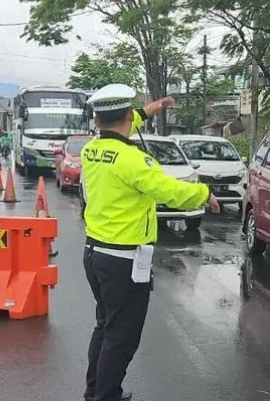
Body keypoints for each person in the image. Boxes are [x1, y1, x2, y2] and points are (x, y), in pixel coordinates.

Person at [81, 84, 220, 401]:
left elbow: (124, 124)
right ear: (127, 115)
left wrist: (153, 108)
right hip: (124, 260)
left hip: (95, 252)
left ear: (98, 120)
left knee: (105, 326)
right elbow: (168, 191)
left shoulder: (91, 149)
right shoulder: (134, 160)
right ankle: (106, 396)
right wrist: (204, 194)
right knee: (121, 336)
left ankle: (95, 393)